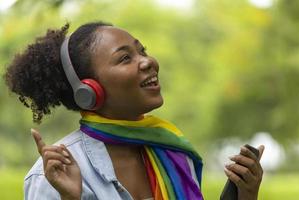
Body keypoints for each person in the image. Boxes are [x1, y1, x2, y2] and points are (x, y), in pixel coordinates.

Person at [4, 21, 265, 200]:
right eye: (125, 58)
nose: (148, 61)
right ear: (89, 90)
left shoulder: (173, 153)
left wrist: (245, 195)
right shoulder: (54, 173)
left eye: (143, 51)